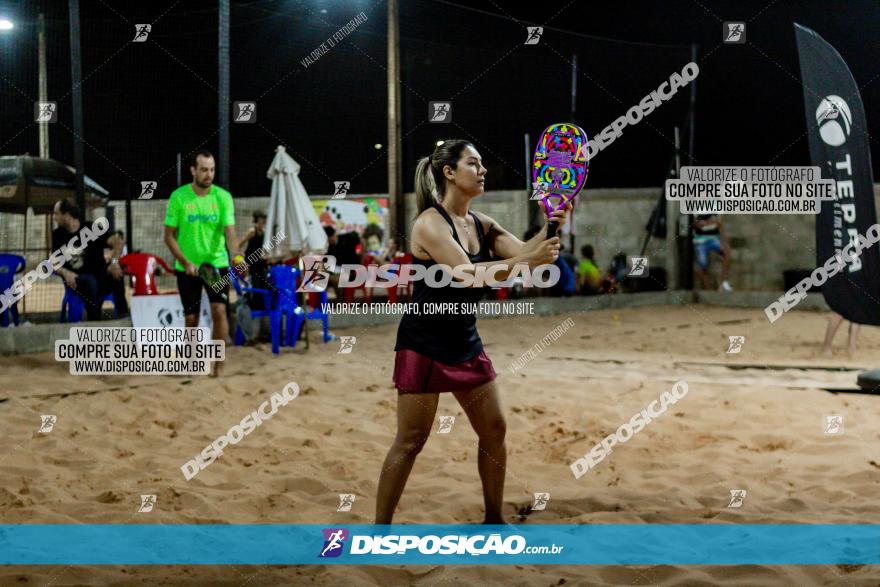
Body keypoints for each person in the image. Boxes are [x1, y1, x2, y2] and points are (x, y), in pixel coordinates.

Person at [375, 139, 565, 524]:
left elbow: (524, 250)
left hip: (464, 340)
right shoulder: (429, 223)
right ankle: (379, 531)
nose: (482, 171)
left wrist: (552, 222)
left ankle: (493, 519)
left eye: (482, 165)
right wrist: (531, 257)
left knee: (494, 429)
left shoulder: (482, 223)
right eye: (473, 164)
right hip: (423, 343)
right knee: (411, 441)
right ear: (449, 173)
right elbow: (467, 275)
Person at [163, 149, 245, 376]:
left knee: (219, 311)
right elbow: (168, 236)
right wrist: (185, 261)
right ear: (193, 170)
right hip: (187, 267)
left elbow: (230, 232)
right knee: (191, 318)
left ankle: (218, 363)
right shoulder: (179, 197)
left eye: (212, 170)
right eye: (204, 170)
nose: (209, 174)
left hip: (214, 266)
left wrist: (236, 255)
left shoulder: (223, 197)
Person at [52, 198, 128, 320]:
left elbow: (118, 242)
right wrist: (65, 272)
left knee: (116, 273)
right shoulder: (58, 235)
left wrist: (114, 263)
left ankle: (123, 316)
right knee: (90, 281)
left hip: (100, 277)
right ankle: (94, 322)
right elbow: (53, 262)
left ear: (66, 216)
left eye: (56, 214)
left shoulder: (91, 228)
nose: (54, 217)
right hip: (77, 281)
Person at [692, 214, 732, 292]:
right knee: (701, 266)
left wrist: (723, 241)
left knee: (727, 252)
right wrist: (709, 222)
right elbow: (696, 224)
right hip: (700, 241)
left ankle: (723, 283)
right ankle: (707, 287)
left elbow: (719, 224)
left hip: (714, 239)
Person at [239, 211, 270, 310]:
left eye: (264, 218)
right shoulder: (252, 231)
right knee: (255, 283)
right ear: (257, 219)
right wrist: (240, 254)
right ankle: (254, 305)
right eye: (261, 218)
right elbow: (241, 243)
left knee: (263, 282)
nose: (263, 220)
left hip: (260, 261)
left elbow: (263, 248)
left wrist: (266, 255)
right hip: (251, 261)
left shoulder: (264, 232)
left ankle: (262, 306)